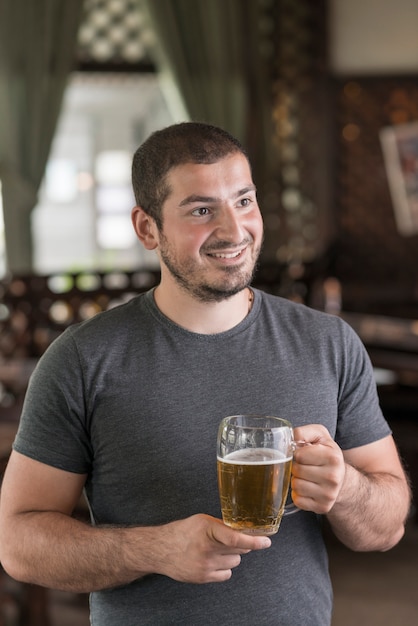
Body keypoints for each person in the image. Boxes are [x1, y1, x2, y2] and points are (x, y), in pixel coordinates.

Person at [0, 122, 411, 625]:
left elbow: (386, 527)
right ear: (147, 228)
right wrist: (154, 550)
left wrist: (346, 488)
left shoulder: (329, 343)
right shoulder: (83, 359)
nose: (234, 231)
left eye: (244, 201)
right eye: (201, 210)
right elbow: (18, 543)